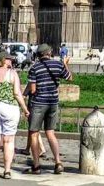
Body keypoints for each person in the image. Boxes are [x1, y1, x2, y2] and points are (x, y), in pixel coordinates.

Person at [0, 52, 30, 179]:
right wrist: (25, 108)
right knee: (8, 140)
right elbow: (17, 93)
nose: (11, 61)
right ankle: (7, 170)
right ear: (3, 60)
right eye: (9, 59)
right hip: (10, 107)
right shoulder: (12, 74)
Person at [27, 43, 73, 174]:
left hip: (39, 103)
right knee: (50, 132)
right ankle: (58, 162)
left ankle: (36, 166)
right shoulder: (58, 65)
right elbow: (70, 78)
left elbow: (33, 89)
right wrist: (65, 64)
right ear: (49, 53)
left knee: (34, 133)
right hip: (53, 102)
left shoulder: (34, 67)